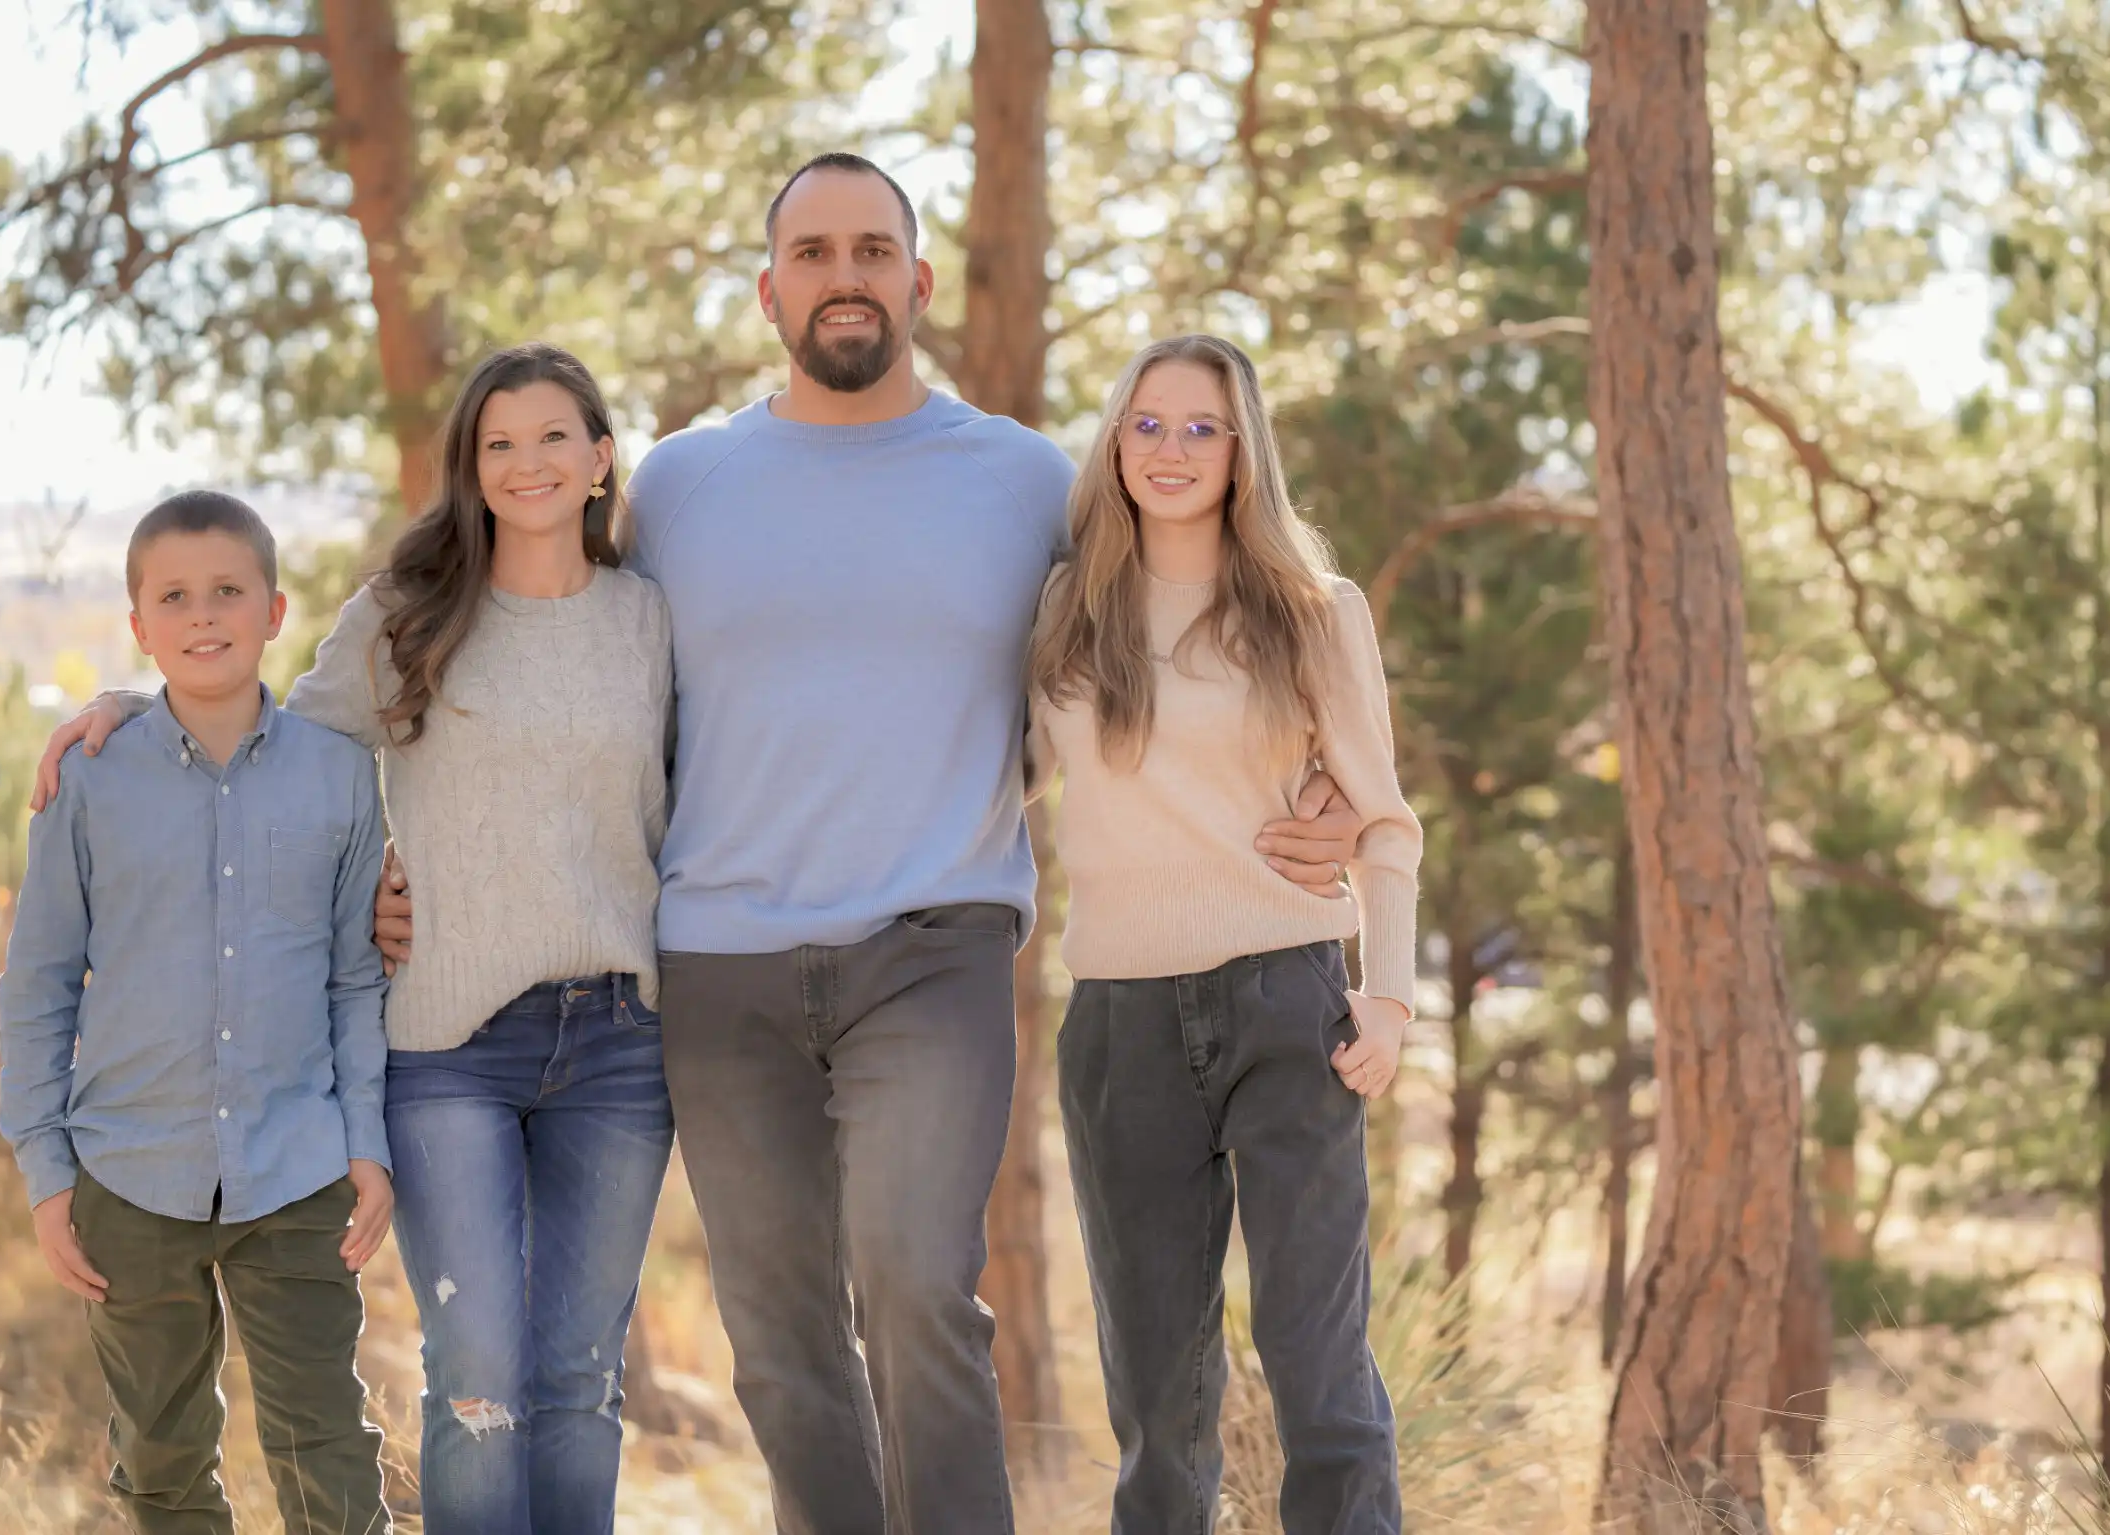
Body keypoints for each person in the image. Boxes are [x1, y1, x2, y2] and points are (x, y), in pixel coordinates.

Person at [363, 153, 1369, 1533]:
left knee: (912, 1283)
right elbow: (530, 654)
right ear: (771, 289)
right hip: (719, 959)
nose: (848, 274)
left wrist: (1329, 785)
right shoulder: (680, 487)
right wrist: (212, 741)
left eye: (873, 249)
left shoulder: (1022, 478)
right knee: (778, 1334)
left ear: (919, 279)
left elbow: (1187, 599)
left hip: (933, 944)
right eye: (817, 253)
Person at [31, 344, 676, 1535]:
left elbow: (683, 810)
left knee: (578, 1378)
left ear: (598, 458)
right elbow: (258, 725)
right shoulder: (405, 612)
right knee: (476, 1373)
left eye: (553, 437)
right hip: (449, 1035)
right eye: (498, 442)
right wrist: (126, 706)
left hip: (620, 1043)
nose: (526, 462)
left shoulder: (647, 619)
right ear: (468, 469)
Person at [1027, 334, 1421, 1533]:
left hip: (1285, 1003)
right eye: (1145, 423)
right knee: (1156, 1396)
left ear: (1242, 448)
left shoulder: (1312, 610)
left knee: (1317, 1371)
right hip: (1119, 1022)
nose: (1171, 449)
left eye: (1201, 426)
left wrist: (1389, 996)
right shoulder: (1062, 611)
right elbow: (999, 785)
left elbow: (1385, 822)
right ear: (1112, 441)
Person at [0, 491, 395, 1535]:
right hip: (127, 1173)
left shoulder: (342, 775)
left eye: (228, 590)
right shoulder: (89, 779)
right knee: (163, 1461)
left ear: (273, 608)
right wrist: (47, 1172)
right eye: (174, 595)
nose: (203, 613)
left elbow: (356, 978)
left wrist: (367, 1142)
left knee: (328, 1452)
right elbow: (39, 985)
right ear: (139, 625)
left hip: (299, 1168)